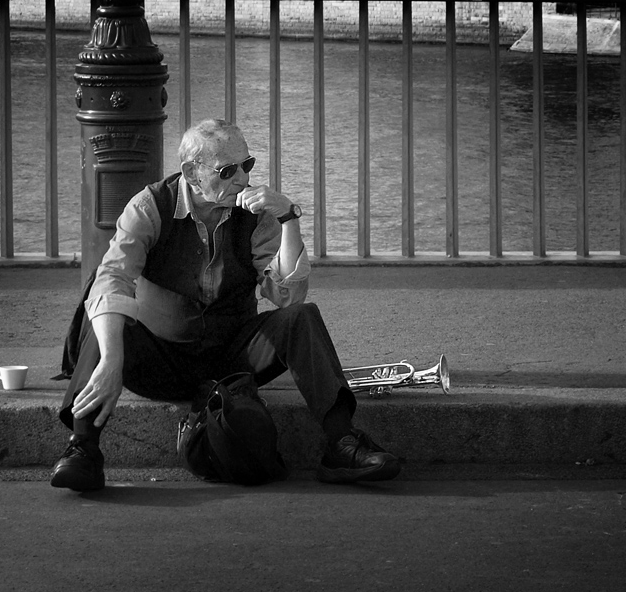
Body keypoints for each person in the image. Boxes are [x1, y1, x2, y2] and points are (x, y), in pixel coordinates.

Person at [51, 118, 400, 491]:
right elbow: (113, 278)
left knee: (301, 317)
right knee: (103, 312)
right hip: (162, 359)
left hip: (232, 362)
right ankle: (83, 450)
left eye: (247, 165)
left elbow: (287, 296)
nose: (243, 179)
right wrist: (111, 360)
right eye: (228, 170)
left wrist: (288, 219)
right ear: (192, 173)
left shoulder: (258, 215)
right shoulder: (150, 206)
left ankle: (342, 443)